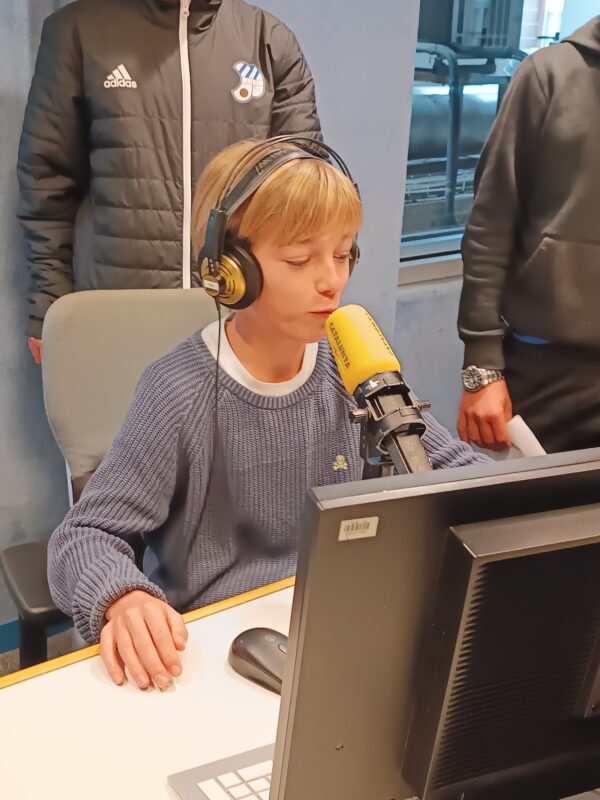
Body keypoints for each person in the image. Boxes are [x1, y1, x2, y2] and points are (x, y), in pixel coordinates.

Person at [48, 137, 490, 691]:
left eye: (344, 254)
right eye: (300, 260)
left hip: (334, 627)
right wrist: (125, 597)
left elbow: (453, 471)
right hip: (210, 650)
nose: (332, 280)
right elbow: (83, 536)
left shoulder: (353, 368)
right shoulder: (178, 391)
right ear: (230, 270)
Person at [18, 0, 321, 365]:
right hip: (114, 316)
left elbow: (303, 199)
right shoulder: (76, 31)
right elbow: (47, 182)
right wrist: (49, 304)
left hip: (239, 319)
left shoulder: (269, 41)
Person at [457, 16, 600, 455]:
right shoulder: (548, 74)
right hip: (546, 371)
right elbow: (489, 225)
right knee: (531, 502)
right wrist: (482, 365)